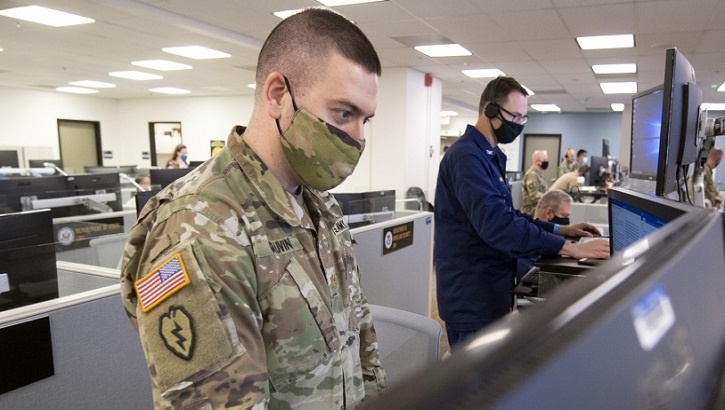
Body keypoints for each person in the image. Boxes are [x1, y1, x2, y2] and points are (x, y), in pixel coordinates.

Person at [119, 8, 386, 409]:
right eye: (343, 113)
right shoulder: (198, 226)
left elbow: (358, 336)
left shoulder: (320, 205)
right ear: (278, 95)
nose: (357, 138)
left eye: (366, 120)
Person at [434, 76, 610, 349]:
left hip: (490, 290)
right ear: (490, 110)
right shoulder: (467, 157)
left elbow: (510, 215)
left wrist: (558, 229)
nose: (518, 125)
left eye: (523, 118)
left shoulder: (488, 155)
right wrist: (569, 249)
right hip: (472, 297)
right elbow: (498, 225)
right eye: (514, 116)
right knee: (480, 388)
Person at [516, 189, 574, 279]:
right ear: (548, 213)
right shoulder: (530, 241)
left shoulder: (548, 236)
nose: (567, 221)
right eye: (564, 216)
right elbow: (530, 279)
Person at [520, 150, 549, 214]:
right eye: (545, 160)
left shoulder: (539, 174)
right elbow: (534, 195)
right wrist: (549, 198)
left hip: (537, 210)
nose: (547, 162)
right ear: (538, 162)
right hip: (530, 212)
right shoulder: (531, 175)